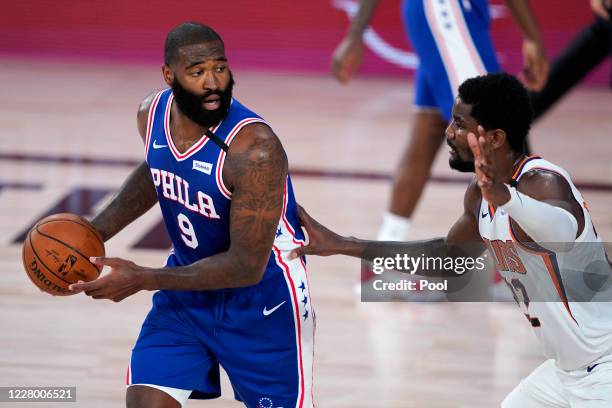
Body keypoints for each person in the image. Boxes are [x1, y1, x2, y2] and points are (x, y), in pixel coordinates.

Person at [291, 73, 612, 407]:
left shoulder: (543, 183)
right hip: (565, 373)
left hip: (605, 368)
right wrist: (343, 244)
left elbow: (563, 232)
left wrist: (507, 199)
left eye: (460, 123)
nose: (448, 132)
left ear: (496, 138)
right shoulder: (479, 197)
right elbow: (446, 263)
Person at [69, 22, 315, 408]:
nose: (213, 82)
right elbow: (158, 169)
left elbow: (246, 266)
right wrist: (95, 231)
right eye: (197, 72)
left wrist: (146, 278)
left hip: (261, 305)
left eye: (220, 67)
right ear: (169, 75)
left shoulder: (255, 150)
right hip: (185, 297)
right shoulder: (152, 114)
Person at [332, 0, 547, 243]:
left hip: (445, 13)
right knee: (496, 131)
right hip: (447, 10)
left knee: (430, 130)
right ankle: (518, 261)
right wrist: (533, 37)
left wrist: (356, 33)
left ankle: (384, 260)